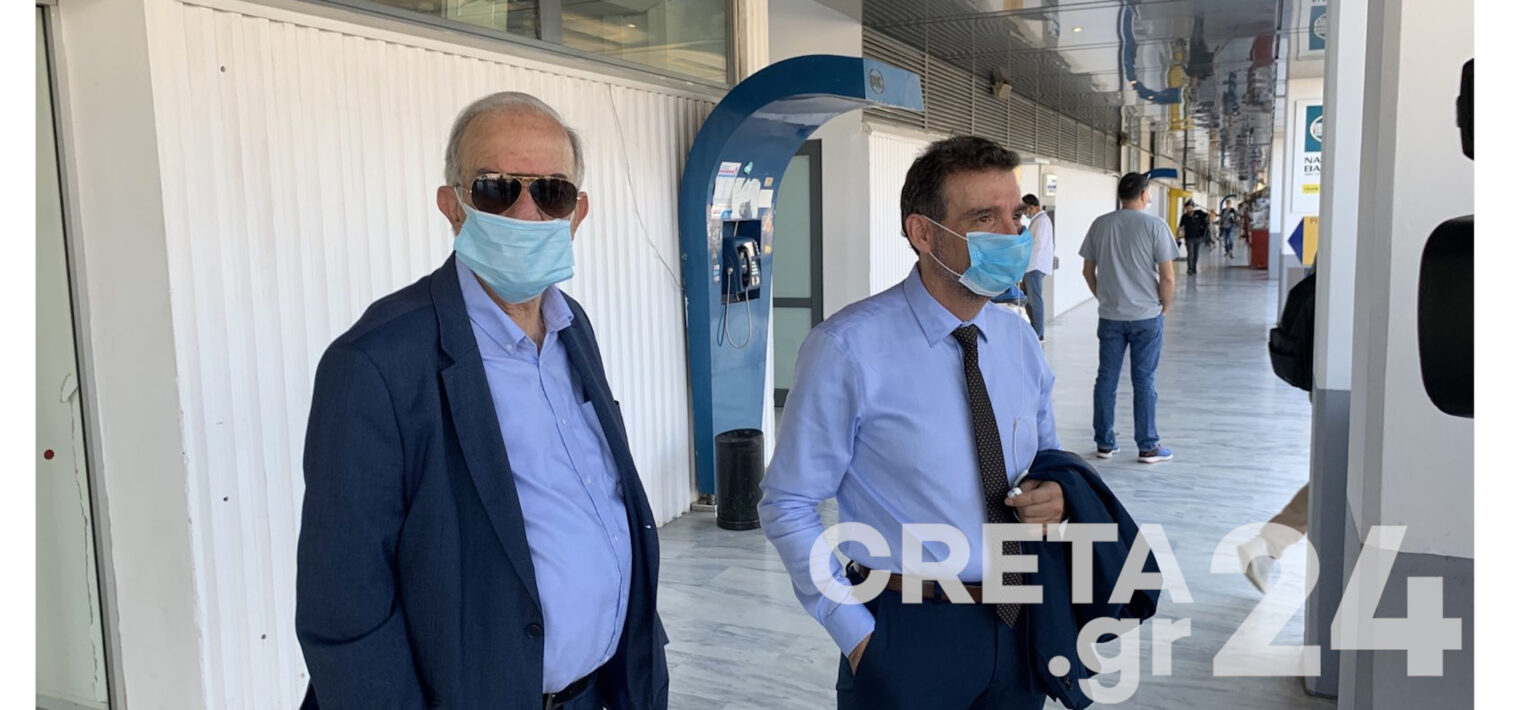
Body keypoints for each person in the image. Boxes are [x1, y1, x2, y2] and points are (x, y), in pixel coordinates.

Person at [296, 92, 669, 710]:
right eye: (496, 189)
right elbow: (344, 612)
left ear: (576, 214)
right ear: (453, 205)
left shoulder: (571, 327)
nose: (525, 212)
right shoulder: (375, 364)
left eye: (550, 192)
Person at [759, 136, 1064, 709]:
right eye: (984, 218)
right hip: (908, 626)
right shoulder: (848, 349)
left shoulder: (1019, 339)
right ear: (924, 233)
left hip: (1021, 620)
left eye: (1015, 217)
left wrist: (1054, 496)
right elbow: (787, 503)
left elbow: (1048, 465)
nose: (1011, 235)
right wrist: (859, 637)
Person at [1079, 172, 1178, 464]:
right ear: (1144, 194)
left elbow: (1087, 271)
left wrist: (1104, 297)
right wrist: (1165, 306)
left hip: (1110, 316)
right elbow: (1168, 276)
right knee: (1144, 380)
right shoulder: (1155, 226)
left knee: (1106, 379)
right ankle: (1148, 446)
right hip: (1146, 316)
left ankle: (1104, 443)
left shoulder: (1100, 224)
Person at [1021, 194, 1054, 341]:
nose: (1025, 213)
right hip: (1032, 265)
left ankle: (1038, 333)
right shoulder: (1038, 221)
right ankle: (1035, 329)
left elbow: (1037, 245)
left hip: (1035, 265)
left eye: (1025, 210)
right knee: (1029, 299)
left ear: (1032, 207)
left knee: (1035, 300)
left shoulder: (1041, 221)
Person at [1177, 201, 1210, 274]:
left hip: (1198, 237)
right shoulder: (1184, 217)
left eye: (1190, 208)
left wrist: (1208, 220)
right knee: (1190, 253)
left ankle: (1194, 267)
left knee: (1196, 254)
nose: (1189, 209)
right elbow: (1180, 226)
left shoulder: (1199, 213)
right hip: (1188, 238)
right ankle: (1190, 268)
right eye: (1187, 208)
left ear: (1193, 207)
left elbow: (1208, 216)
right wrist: (1178, 236)